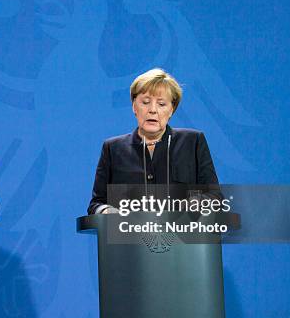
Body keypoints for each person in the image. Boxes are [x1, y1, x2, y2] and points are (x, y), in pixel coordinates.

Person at [88, 68, 220, 215]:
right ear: (134, 106)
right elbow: (96, 204)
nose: (152, 110)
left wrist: (192, 204)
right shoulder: (113, 149)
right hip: (129, 235)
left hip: (183, 235)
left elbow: (215, 198)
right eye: (145, 102)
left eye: (161, 104)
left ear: (172, 110)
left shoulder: (193, 142)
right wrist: (107, 211)